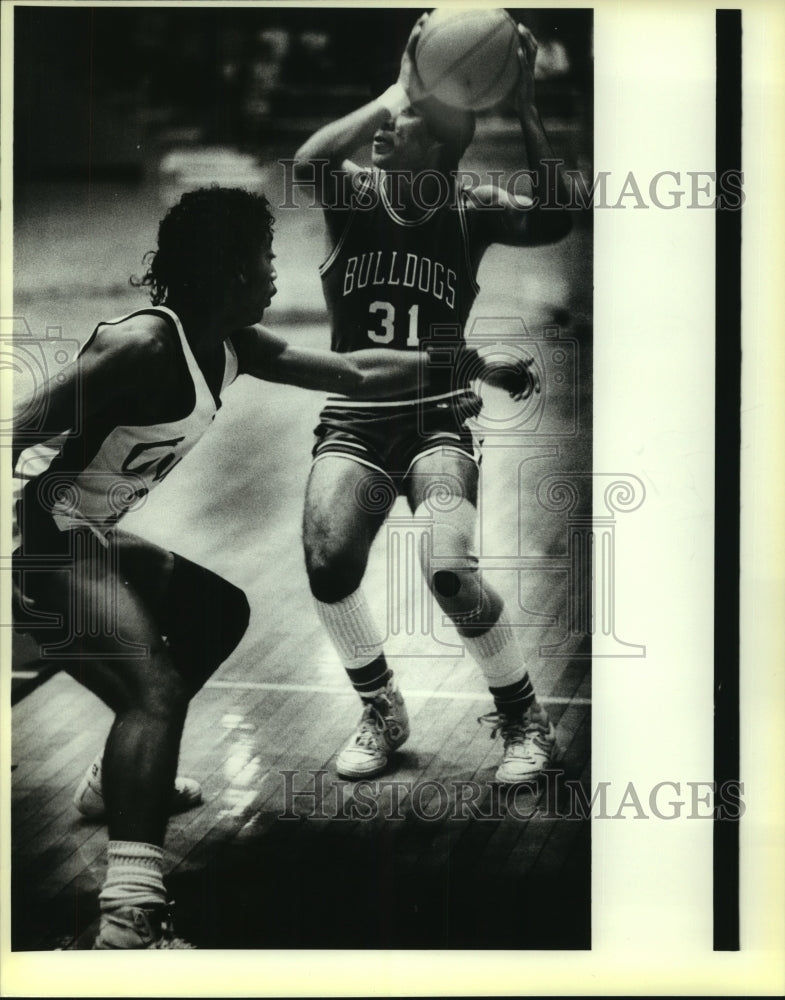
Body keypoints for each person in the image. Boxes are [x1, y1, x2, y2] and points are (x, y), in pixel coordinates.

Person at [11, 185, 533, 949]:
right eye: (264, 259)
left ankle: (114, 783)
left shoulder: (231, 346)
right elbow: (18, 422)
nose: (273, 274)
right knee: (152, 693)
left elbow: (354, 372)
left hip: (81, 527)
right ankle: (127, 923)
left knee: (213, 614)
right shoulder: (142, 346)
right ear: (227, 270)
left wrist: (471, 360)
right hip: (39, 537)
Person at [293, 15, 572, 784]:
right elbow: (310, 158)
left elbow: (557, 214)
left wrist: (524, 109)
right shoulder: (352, 197)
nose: (385, 131)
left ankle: (523, 718)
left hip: (437, 423)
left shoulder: (466, 208)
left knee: (449, 572)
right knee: (326, 564)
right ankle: (380, 705)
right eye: (388, 119)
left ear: (440, 151)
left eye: (404, 125)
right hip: (354, 420)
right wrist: (397, 90)